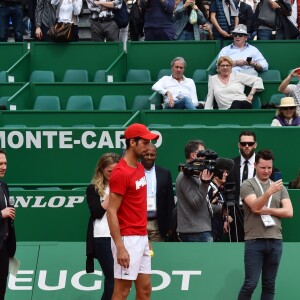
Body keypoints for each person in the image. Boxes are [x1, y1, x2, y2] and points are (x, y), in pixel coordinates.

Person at [107, 123, 159, 300]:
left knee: (145, 290)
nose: (149, 147)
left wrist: (145, 236)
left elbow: (137, 206)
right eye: (145, 142)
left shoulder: (139, 168)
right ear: (132, 143)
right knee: (122, 291)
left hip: (141, 237)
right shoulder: (120, 173)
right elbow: (111, 211)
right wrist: (120, 247)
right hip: (127, 239)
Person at [238, 149, 293, 300]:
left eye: (269, 167)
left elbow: (289, 212)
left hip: (275, 240)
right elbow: (255, 206)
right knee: (251, 283)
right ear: (255, 165)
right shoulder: (247, 185)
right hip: (254, 240)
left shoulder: (279, 187)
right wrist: (268, 193)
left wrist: (267, 210)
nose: (267, 171)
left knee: (269, 285)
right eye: (263, 167)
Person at [85, 152, 120, 300]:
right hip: (102, 237)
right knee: (112, 278)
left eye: (116, 171)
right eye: (109, 171)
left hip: (121, 237)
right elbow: (97, 212)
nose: (112, 175)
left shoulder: (126, 186)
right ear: (101, 170)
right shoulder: (93, 189)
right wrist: (113, 194)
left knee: (118, 280)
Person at [176, 139, 214, 242]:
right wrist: (205, 184)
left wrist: (219, 209)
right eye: (202, 152)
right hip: (194, 232)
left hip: (200, 230)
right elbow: (196, 203)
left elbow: (202, 203)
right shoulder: (185, 175)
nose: (205, 156)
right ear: (193, 155)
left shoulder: (195, 173)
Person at [140, 143, 175, 242]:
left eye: (152, 155)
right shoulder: (134, 171)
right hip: (138, 222)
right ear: (142, 155)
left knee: (157, 254)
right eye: (146, 154)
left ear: (156, 155)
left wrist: (170, 225)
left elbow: (169, 201)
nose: (149, 157)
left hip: (157, 223)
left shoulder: (164, 173)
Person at [0, 149, 16, 300]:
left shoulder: (4, 186)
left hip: (3, 248)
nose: (4, 166)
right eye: (0, 164)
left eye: (5, 163)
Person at [207, 169, 233, 242]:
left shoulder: (221, 189)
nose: (226, 175)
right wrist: (211, 202)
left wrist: (225, 218)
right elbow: (202, 209)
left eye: (227, 172)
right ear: (215, 175)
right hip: (209, 231)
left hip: (218, 230)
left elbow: (221, 208)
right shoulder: (209, 187)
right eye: (224, 172)